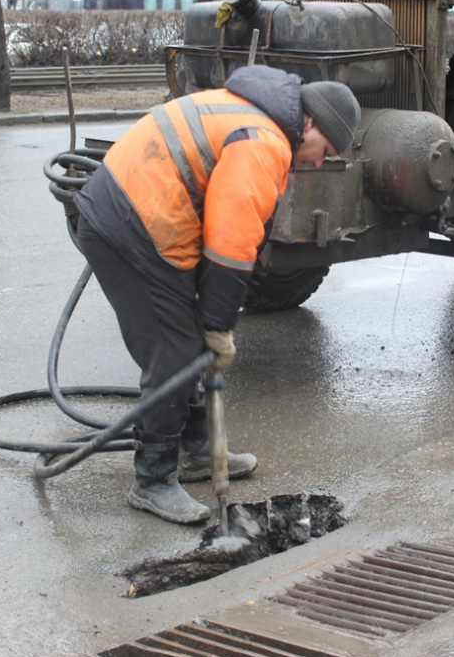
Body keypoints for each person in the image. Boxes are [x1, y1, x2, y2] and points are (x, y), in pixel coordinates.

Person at [72, 64, 360, 524]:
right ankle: (153, 481)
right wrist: (219, 325)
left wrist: (211, 319)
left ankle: (197, 451)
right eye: (324, 150)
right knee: (176, 352)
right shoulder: (262, 140)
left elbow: (230, 236)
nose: (319, 162)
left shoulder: (257, 117)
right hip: (127, 227)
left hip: (147, 220)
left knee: (189, 341)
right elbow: (228, 248)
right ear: (309, 124)